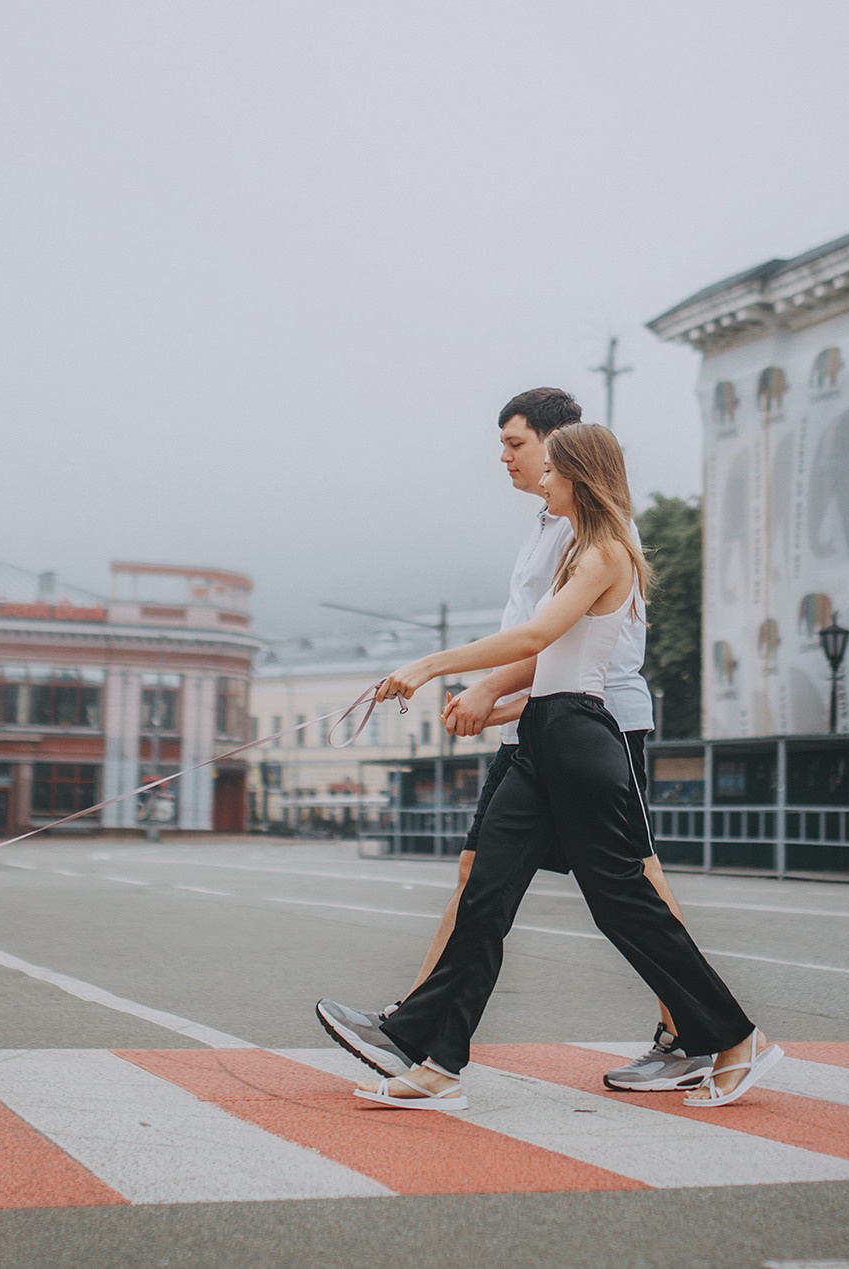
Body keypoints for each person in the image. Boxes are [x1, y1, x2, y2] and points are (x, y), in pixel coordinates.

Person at [315, 423, 779, 1110]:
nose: (542, 479)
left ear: (581, 477)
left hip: (580, 742)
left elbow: (535, 638)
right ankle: (437, 1061)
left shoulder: (606, 551)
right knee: (485, 895)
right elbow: (551, 662)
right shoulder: (579, 552)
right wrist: (493, 707)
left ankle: (736, 1038)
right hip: (542, 734)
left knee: (623, 905)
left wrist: (429, 665)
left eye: (553, 470)